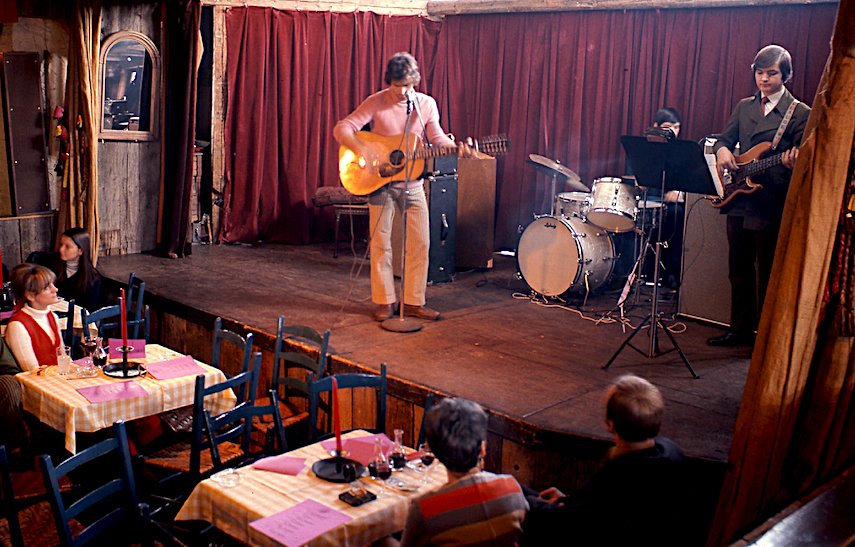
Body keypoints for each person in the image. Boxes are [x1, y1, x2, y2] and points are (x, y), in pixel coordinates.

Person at [334, 52, 471, 322]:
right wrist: (364, 150)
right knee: (381, 244)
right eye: (398, 86)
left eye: (408, 86)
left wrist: (457, 150)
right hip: (379, 183)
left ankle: (413, 302)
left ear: (415, 82)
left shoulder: (426, 104)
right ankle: (385, 301)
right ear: (390, 82)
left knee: (421, 242)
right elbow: (343, 128)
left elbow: (437, 138)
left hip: (413, 183)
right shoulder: (376, 102)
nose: (403, 92)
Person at [708, 45, 811, 347]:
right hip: (739, 197)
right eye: (760, 73)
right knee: (738, 268)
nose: (764, 79)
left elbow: (806, 162)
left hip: (771, 202)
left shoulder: (799, 112)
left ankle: (765, 340)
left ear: (786, 75)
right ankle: (739, 329)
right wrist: (724, 150)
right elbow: (724, 140)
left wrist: (794, 162)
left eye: (772, 73)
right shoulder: (744, 106)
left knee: (767, 273)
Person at [521, 375, 688, 547]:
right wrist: (570, 499)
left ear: (610, 424)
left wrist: (525, 504)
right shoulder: (670, 451)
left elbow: (574, 522)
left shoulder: (617, 477)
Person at [377, 398, 528, 547]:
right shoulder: (512, 488)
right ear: (482, 449)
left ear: (437, 453)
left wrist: (382, 538)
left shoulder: (425, 509)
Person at [5, 263, 63, 371]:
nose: (55, 290)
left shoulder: (53, 317)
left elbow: (63, 357)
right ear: (31, 296)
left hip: (58, 379)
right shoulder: (17, 326)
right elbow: (31, 371)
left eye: (53, 285)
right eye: (47, 288)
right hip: (37, 384)